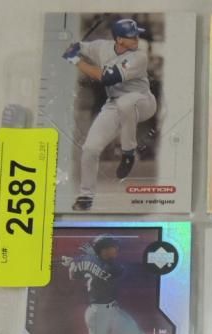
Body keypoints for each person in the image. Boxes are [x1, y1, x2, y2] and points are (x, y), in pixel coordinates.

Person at [63, 18, 157, 211]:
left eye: (136, 35)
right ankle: (86, 196)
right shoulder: (101, 47)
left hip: (143, 102)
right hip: (114, 105)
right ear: (119, 39)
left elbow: (106, 77)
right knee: (90, 148)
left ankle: (128, 153)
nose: (136, 39)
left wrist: (75, 60)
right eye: (132, 36)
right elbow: (81, 46)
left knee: (126, 103)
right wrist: (73, 47)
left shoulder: (138, 57)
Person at [42, 235, 151, 334]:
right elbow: (106, 272)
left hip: (114, 312)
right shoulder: (106, 265)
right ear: (103, 250)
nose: (116, 249)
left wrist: (77, 261)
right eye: (112, 247)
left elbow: (76, 273)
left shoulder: (96, 261)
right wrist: (79, 261)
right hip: (99, 315)